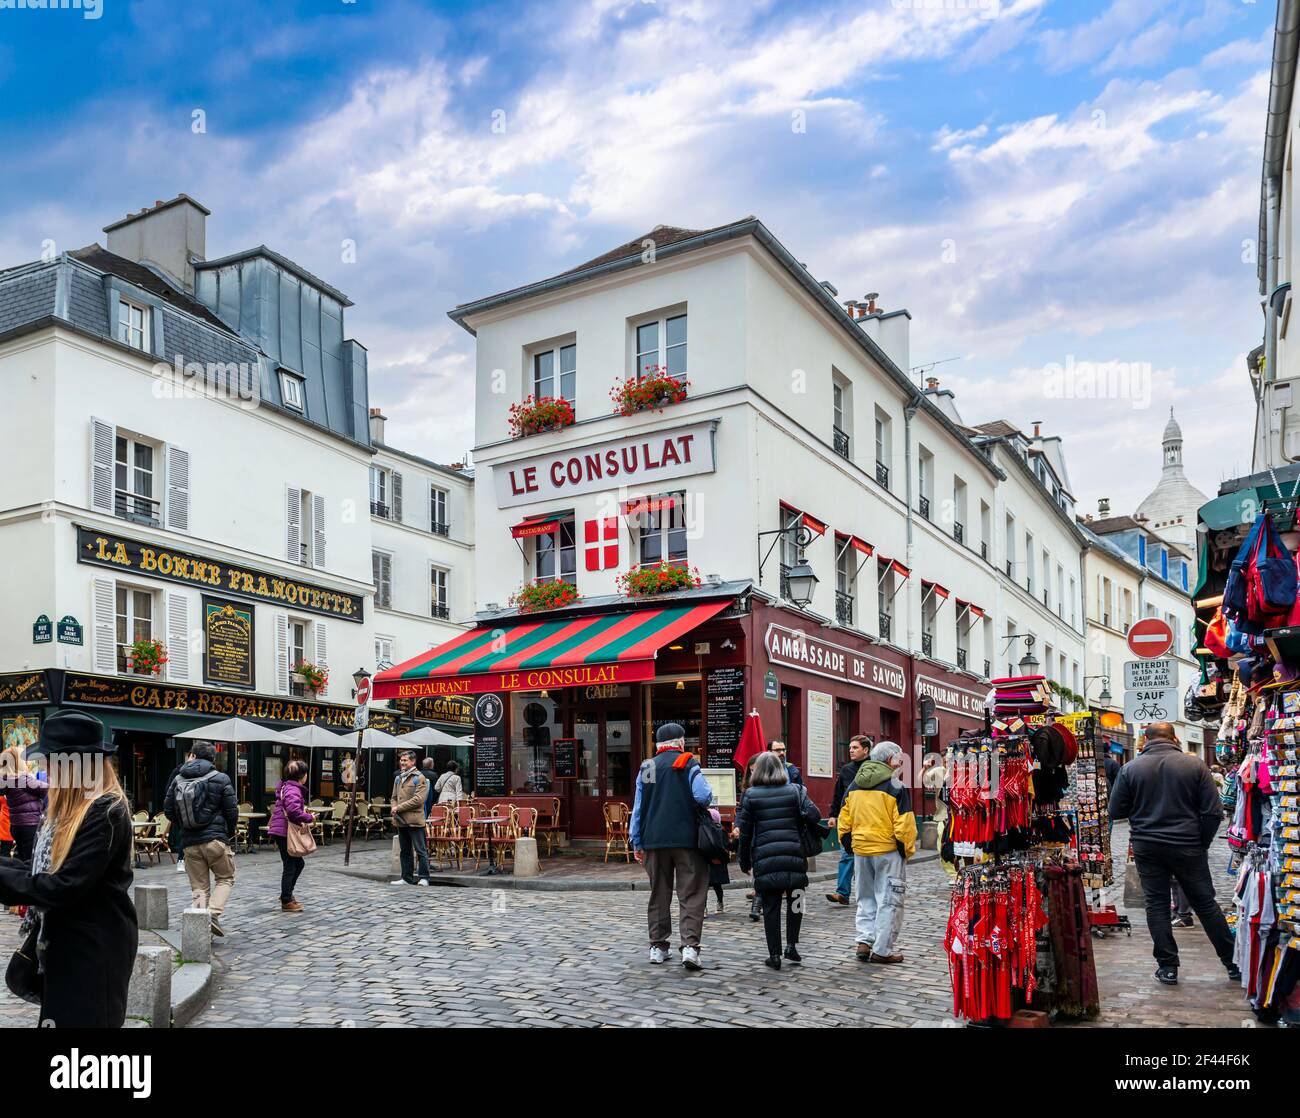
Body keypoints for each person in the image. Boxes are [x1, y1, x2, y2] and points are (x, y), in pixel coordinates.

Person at [0, 710, 136, 1028]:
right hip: (65, 945)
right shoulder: (66, 813)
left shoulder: (105, 811)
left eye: (50, 760)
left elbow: (64, 885)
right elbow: (40, 869)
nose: (45, 767)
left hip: (92, 952)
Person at [1108, 721, 1240, 987]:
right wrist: (1201, 841)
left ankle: (1168, 967)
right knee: (1205, 903)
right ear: (1175, 739)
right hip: (1187, 844)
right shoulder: (1195, 766)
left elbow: (1115, 811)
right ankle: (1232, 963)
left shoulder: (1130, 768)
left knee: (1156, 904)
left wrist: (1141, 808)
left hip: (1147, 845)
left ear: (1145, 741)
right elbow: (1214, 812)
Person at [629, 722, 713, 970]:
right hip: (687, 840)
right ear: (681, 743)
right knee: (691, 893)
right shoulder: (688, 763)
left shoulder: (649, 767)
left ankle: (657, 946)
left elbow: (639, 807)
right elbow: (703, 796)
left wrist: (637, 840)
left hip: (654, 840)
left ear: (658, 745)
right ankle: (689, 947)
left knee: (659, 893)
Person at [737, 750, 821, 970]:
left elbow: (745, 833)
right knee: (796, 901)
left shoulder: (751, 795)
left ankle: (774, 954)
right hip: (794, 854)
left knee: (771, 905)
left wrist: (744, 861)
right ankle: (792, 945)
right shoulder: (796, 790)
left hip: (766, 857)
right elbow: (815, 816)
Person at [838, 741, 917, 964]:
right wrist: (906, 850)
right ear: (889, 760)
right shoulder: (896, 786)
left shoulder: (854, 785)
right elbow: (905, 824)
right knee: (889, 900)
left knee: (865, 897)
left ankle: (864, 941)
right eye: (899, 759)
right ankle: (882, 950)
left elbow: (845, 818)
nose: (901, 763)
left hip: (861, 849)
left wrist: (848, 843)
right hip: (888, 850)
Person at [164, 743, 238, 937]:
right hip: (216, 840)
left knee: (199, 888)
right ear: (213, 759)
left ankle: (199, 931)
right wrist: (227, 834)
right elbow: (232, 811)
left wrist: (185, 827)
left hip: (190, 843)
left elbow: (168, 810)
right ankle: (212, 914)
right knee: (225, 878)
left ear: (192, 756)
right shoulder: (221, 778)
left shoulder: (178, 779)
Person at [826, 734, 872, 905]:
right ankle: (842, 893)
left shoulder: (874, 767)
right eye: (850, 748)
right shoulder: (846, 770)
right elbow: (838, 794)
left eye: (855, 748)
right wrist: (833, 814)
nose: (851, 750)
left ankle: (866, 892)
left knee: (866, 858)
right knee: (846, 855)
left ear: (865, 750)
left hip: (869, 820)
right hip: (849, 820)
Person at [267, 759, 315, 912]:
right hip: (284, 831)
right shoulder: (293, 789)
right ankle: (286, 900)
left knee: (297, 864)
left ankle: (286, 895)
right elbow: (293, 811)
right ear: (302, 776)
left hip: (281, 829)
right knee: (291, 866)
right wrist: (309, 817)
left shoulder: (287, 787)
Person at [390, 751, 431, 886]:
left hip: (414, 820)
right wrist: (394, 807)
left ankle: (424, 877)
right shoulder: (398, 778)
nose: (402, 762)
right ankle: (406, 878)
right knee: (405, 851)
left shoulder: (419, 778)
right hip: (401, 820)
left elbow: (419, 800)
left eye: (405, 760)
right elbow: (394, 797)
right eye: (401, 760)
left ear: (413, 762)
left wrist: (399, 808)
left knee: (420, 850)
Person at [0, 746, 48, 862]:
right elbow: (46, 788)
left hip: (16, 825)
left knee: (22, 858)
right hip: (29, 825)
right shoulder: (22, 779)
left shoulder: (7, 780)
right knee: (30, 860)